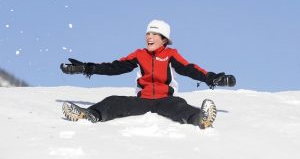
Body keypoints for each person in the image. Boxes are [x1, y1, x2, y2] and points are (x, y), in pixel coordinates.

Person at [60, 19, 236, 129]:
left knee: (180, 107)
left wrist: (212, 78)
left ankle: (200, 119)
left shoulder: (170, 55)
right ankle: (89, 114)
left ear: (164, 39)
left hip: (166, 100)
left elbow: (190, 68)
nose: (149, 37)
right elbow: (114, 67)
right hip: (142, 101)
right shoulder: (139, 54)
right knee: (113, 101)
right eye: (148, 33)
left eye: (155, 34)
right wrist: (86, 68)